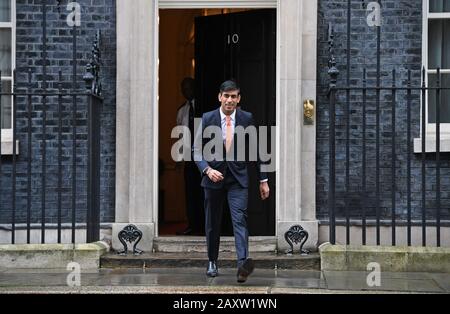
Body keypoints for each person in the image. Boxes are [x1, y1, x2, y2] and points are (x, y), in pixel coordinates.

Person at [193, 80, 270, 283]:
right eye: (226, 96)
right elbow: (196, 150)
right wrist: (207, 170)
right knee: (212, 223)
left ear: (239, 98)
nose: (230, 100)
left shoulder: (246, 118)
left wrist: (263, 179)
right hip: (213, 179)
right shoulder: (208, 118)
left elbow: (257, 149)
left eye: (233, 96)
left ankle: (242, 265)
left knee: (240, 220)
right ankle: (212, 261)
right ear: (220, 97)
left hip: (238, 179)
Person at [176, 77, 204, 236]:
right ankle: (192, 225)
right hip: (189, 158)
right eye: (183, 89)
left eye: (189, 88)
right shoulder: (182, 110)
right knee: (190, 193)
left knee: (205, 192)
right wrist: (180, 159)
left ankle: (206, 225)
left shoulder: (204, 108)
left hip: (206, 156)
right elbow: (180, 136)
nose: (186, 91)